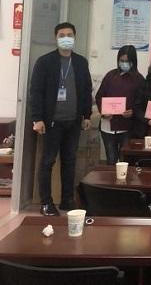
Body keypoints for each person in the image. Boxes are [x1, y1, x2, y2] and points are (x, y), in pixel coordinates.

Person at [30, 22, 92, 216]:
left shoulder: (81, 62)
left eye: (69, 35)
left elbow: (86, 90)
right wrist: (37, 118)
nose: (66, 38)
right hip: (51, 123)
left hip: (73, 122)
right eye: (62, 35)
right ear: (55, 38)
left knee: (69, 161)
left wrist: (87, 115)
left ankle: (67, 199)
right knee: (48, 161)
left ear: (75, 37)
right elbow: (36, 92)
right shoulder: (45, 62)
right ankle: (46, 203)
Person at [96, 45, 145, 164]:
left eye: (127, 61)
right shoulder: (110, 75)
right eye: (121, 60)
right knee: (111, 160)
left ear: (133, 61)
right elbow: (99, 96)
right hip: (108, 126)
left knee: (125, 160)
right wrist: (103, 111)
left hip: (127, 127)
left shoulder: (139, 79)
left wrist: (133, 111)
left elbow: (142, 102)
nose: (124, 63)